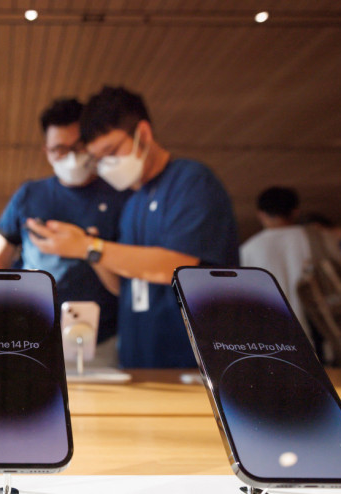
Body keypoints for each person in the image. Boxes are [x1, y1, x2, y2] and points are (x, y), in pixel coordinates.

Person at [27, 87, 239, 368]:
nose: (105, 165)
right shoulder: (132, 204)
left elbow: (176, 267)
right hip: (138, 359)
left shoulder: (191, 182)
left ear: (144, 134)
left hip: (193, 363)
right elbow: (121, 286)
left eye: (111, 151)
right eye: (98, 159)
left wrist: (91, 247)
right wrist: (85, 251)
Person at [0, 98, 131, 358]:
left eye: (77, 147)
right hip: (32, 335)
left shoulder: (119, 197)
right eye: (60, 150)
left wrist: (87, 247)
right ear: (46, 151)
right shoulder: (29, 194)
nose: (71, 158)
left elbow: (124, 284)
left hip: (102, 340)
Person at [240, 187, 313, 333]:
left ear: (261, 215)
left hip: (274, 332)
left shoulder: (248, 249)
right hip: (320, 328)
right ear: (295, 211)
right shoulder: (314, 240)